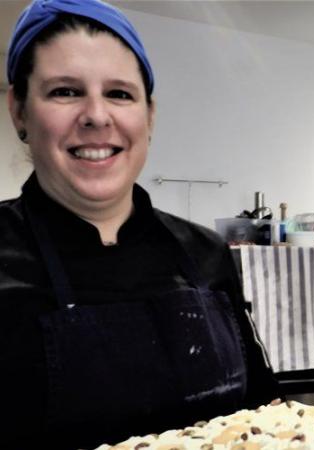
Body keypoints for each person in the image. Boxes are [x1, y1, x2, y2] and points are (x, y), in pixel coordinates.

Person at [0, 1, 278, 448]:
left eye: (119, 93)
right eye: (65, 91)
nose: (96, 115)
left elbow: (264, 416)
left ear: (148, 117)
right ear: (19, 110)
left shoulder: (207, 254)